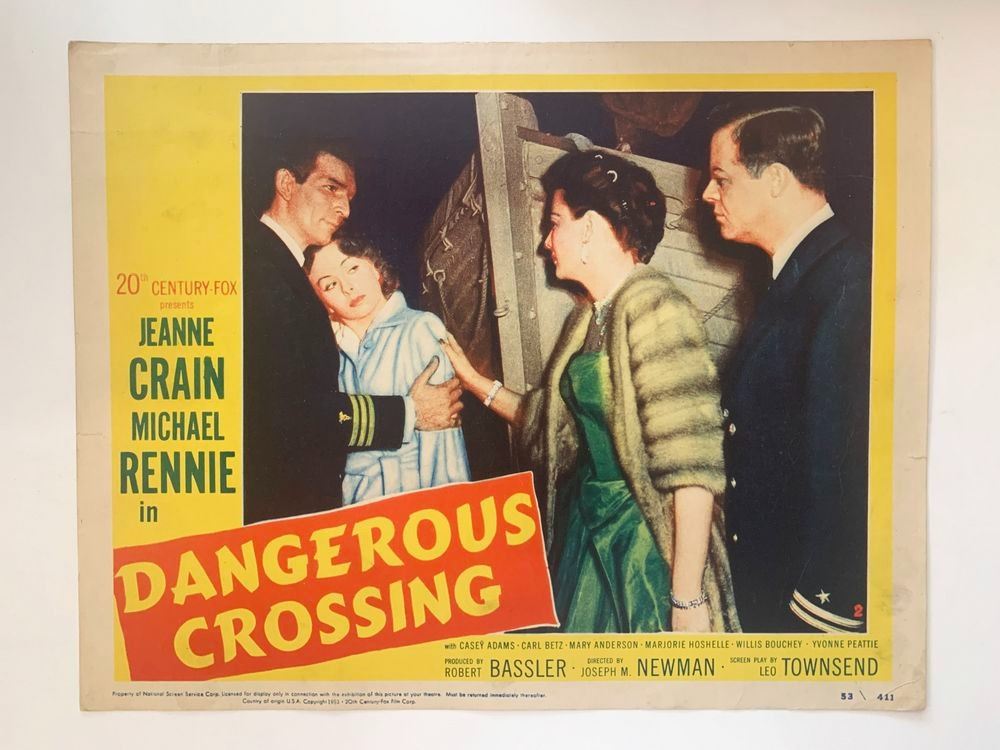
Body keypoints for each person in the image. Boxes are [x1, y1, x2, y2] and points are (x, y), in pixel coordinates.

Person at [443, 150, 740, 633]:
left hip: (645, 547)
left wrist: (686, 600)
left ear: (589, 228)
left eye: (554, 223)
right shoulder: (591, 317)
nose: (545, 242)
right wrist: (476, 383)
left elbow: (692, 470)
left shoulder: (659, 308)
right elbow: (550, 422)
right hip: (590, 527)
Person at [701, 103, 871, 633]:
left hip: (805, 606)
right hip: (767, 579)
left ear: (774, 180)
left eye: (721, 179)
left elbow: (845, 470)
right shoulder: (799, 273)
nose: (707, 194)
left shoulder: (847, 281)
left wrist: (820, 615)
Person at [243, 139, 462, 524]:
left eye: (349, 197)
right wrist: (410, 412)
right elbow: (285, 414)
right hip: (287, 516)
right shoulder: (260, 269)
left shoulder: (278, 268)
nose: (344, 209)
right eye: (331, 188)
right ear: (287, 184)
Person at [304, 235, 471, 503]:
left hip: (413, 506)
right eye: (330, 284)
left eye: (353, 268)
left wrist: (449, 509)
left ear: (376, 269)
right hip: (354, 508)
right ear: (322, 303)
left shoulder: (420, 328)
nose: (348, 287)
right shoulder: (331, 356)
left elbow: (444, 445)